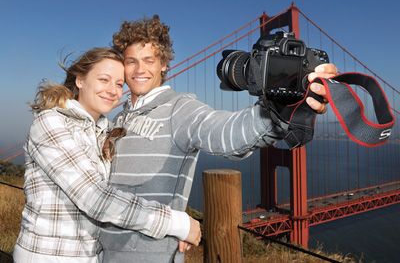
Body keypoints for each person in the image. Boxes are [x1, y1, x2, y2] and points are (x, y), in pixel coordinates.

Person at [99, 15, 338, 262]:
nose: (139, 70)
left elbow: (224, 133)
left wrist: (282, 109)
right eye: (131, 61)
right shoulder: (118, 118)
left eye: (149, 60)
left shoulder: (179, 110)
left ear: (163, 65)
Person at [13, 47, 201, 263]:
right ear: (80, 80)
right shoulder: (50, 123)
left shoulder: (105, 131)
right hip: (47, 256)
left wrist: (174, 233)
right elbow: (96, 199)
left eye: (119, 84)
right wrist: (177, 223)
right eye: (104, 79)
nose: (113, 90)